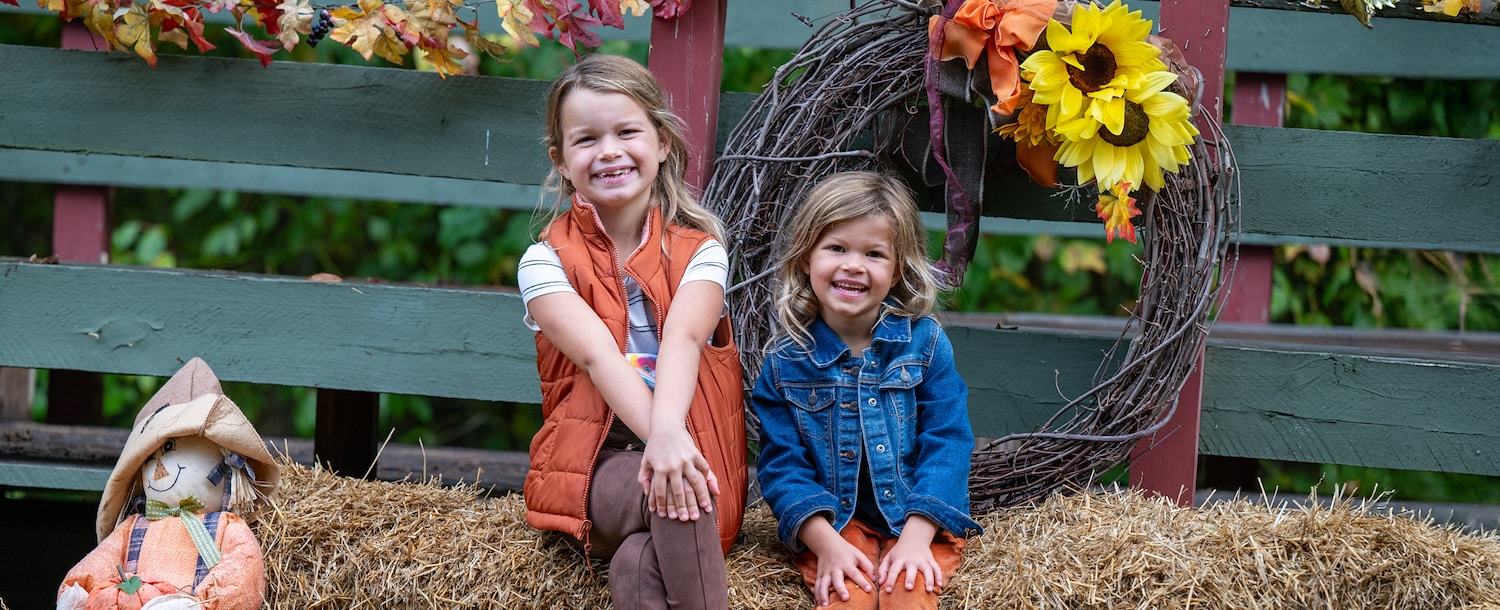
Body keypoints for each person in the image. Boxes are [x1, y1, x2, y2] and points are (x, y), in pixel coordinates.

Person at [516, 53, 747, 610]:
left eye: (626, 132)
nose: (609, 151)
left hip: (694, 444)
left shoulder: (702, 251)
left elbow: (684, 339)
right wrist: (663, 442)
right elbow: (598, 356)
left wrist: (670, 438)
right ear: (561, 160)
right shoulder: (543, 263)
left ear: (662, 142)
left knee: (638, 563)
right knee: (677, 493)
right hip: (598, 460)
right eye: (587, 139)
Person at [752, 171, 983, 609]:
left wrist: (916, 538)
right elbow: (782, 467)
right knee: (847, 597)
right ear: (806, 258)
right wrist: (826, 544)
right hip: (835, 524)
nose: (854, 265)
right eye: (836, 248)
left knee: (907, 593)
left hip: (918, 517)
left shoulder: (925, 344)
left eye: (874, 254)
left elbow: (947, 442)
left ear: (897, 272)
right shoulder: (785, 363)